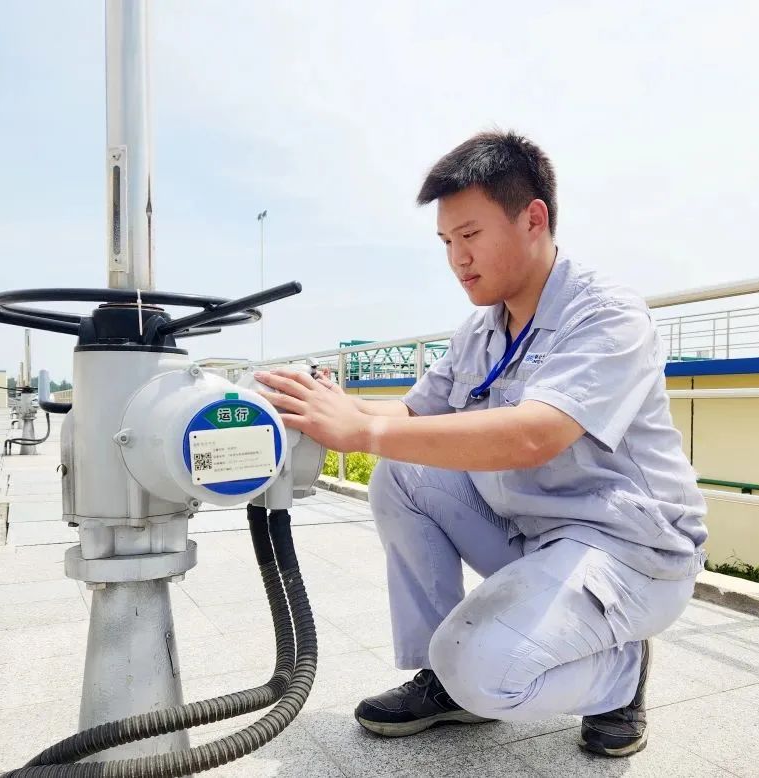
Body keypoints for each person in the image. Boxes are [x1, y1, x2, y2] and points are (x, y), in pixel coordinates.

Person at [254, 130, 708, 757]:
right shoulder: (483, 328)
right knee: (402, 472)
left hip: (629, 552)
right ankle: (445, 683)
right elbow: (412, 412)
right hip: (534, 535)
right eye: (446, 242)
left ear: (533, 219)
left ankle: (619, 672)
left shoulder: (606, 315)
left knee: (481, 667)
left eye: (470, 235)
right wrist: (318, 403)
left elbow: (535, 434)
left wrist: (363, 430)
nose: (457, 259)